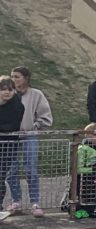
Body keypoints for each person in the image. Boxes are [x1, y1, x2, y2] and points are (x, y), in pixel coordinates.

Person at [7, 67, 52, 217]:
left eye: (17, 77)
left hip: (28, 136)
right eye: (12, 76)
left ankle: (35, 202)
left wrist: (35, 126)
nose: (14, 79)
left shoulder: (36, 94)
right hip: (10, 137)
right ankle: (16, 201)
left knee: (31, 169)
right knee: (11, 170)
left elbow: (45, 116)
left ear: (26, 78)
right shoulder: (7, 94)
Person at [0, 77, 25, 217]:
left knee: (0, 176)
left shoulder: (17, 105)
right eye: (3, 89)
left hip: (8, 146)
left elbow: (12, 126)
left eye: (10, 89)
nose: (7, 92)